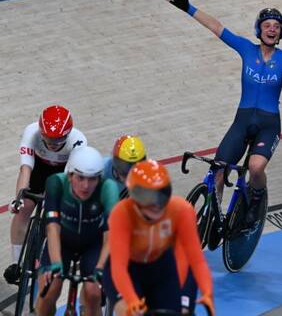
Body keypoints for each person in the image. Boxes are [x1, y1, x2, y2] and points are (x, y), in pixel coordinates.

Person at [165, 0, 282, 232]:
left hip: (268, 125)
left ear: (281, 32)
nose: (272, 29)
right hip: (242, 122)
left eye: (277, 26)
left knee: (256, 167)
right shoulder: (246, 49)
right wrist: (188, 8)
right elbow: (217, 27)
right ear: (258, 30)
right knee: (218, 168)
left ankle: (256, 200)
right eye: (267, 25)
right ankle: (213, 216)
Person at [106, 160, 214, 316]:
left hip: (160, 267)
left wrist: (202, 293)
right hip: (129, 269)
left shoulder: (181, 210)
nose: (155, 203)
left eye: (160, 195)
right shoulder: (121, 213)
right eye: (147, 197)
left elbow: (194, 259)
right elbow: (119, 268)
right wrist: (132, 301)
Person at [4, 105, 87, 285]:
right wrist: (18, 199)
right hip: (38, 169)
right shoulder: (31, 132)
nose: (53, 143)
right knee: (23, 209)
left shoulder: (78, 141)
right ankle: (15, 263)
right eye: (48, 138)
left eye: (59, 139)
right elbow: (26, 169)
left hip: (62, 173)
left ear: (68, 134)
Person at [36, 146, 119, 316]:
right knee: (49, 288)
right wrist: (57, 264)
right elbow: (52, 228)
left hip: (92, 245)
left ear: (100, 178)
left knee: (94, 292)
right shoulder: (56, 183)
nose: (86, 185)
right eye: (80, 178)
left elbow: (111, 234)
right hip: (62, 243)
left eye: (92, 179)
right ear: (70, 174)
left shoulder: (108, 188)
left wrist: (101, 267)